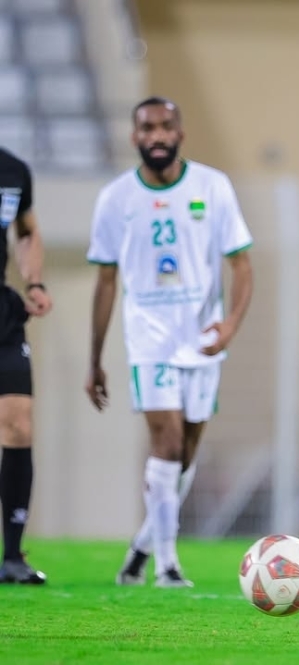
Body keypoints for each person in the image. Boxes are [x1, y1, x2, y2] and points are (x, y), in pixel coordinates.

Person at [85, 96, 254, 588]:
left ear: (180, 132)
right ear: (134, 136)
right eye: (147, 128)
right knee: (167, 440)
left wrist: (231, 325)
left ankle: (139, 551)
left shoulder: (212, 187)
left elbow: (241, 264)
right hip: (149, 339)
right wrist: (94, 359)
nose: (156, 135)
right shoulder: (115, 199)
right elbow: (105, 282)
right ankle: (168, 566)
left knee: (185, 459)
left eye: (165, 126)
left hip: (202, 340)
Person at [0, 148, 53, 584]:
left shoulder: (13, 169)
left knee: (19, 423)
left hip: (3, 312)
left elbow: (27, 230)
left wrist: (33, 281)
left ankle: (13, 556)